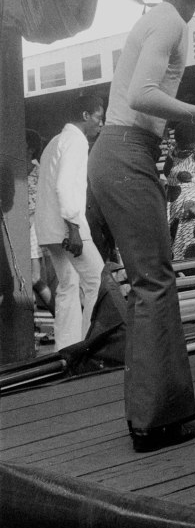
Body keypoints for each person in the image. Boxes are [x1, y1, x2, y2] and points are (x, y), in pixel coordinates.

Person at [88, 0, 195, 453]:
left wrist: (181, 127)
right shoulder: (171, 20)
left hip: (124, 151)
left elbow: (144, 102)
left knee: (155, 281)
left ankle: (166, 410)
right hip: (125, 153)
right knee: (154, 282)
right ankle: (151, 422)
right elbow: (140, 95)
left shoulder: (167, 19)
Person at [34, 95, 105, 349]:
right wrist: (73, 227)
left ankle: (66, 347)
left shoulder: (55, 141)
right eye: (98, 117)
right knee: (97, 280)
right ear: (85, 116)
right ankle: (90, 343)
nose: (101, 123)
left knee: (68, 284)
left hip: (49, 228)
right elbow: (65, 187)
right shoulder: (76, 141)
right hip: (69, 228)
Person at [165, 122, 195, 261]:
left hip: (192, 215)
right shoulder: (173, 153)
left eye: (189, 144)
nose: (186, 148)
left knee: (193, 255)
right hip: (172, 214)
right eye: (182, 143)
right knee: (173, 255)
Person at [25, 129, 53, 314]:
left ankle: (58, 315)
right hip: (22, 228)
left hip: (34, 227)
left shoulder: (39, 171)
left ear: (31, 148)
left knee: (34, 277)